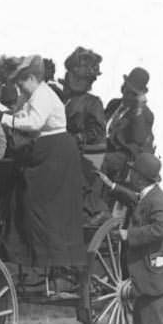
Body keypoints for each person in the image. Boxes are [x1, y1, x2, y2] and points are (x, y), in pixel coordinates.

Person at [0, 54, 88, 280]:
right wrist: (6, 115)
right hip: (43, 151)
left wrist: (4, 119)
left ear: (33, 78)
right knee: (21, 198)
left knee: (39, 204)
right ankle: (26, 257)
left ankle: (49, 261)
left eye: (21, 82)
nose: (19, 87)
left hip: (55, 154)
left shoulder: (43, 94)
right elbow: (22, 117)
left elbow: (35, 123)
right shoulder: (31, 95)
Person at [117, 153, 163, 324]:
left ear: (141, 177)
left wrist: (129, 235)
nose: (130, 175)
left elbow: (161, 229)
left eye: (133, 172)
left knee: (153, 318)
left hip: (155, 269)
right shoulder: (146, 196)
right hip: (145, 269)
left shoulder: (158, 199)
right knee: (142, 317)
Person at [62, 47, 107, 221]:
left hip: (84, 157)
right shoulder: (64, 100)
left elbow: (97, 132)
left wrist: (77, 138)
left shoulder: (92, 103)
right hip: (63, 150)